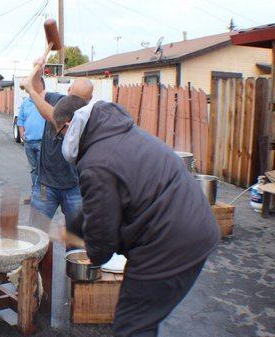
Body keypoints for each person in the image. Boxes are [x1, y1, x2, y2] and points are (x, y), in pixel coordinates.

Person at [47, 81, 221, 336]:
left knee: (132, 326)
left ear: (70, 125)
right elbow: (106, 203)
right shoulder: (115, 131)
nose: (61, 140)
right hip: (191, 224)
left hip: (170, 242)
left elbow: (101, 246)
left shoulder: (96, 162)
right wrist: (72, 227)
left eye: (59, 133)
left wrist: (90, 247)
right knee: (140, 322)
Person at [18, 66, 92, 233]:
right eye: (73, 96)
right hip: (46, 185)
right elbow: (40, 90)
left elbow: (54, 117)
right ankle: (37, 260)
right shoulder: (57, 99)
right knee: (36, 235)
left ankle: (71, 260)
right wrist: (38, 69)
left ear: (90, 99)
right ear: (68, 90)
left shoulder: (89, 117)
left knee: (77, 237)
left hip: (74, 186)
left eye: (81, 100)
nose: (75, 103)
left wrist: (30, 91)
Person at [16, 96, 45, 204]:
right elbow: (21, 119)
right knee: (34, 169)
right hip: (29, 143)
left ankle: (43, 196)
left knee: (42, 170)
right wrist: (22, 134)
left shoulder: (45, 101)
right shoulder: (26, 102)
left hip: (43, 142)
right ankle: (35, 194)